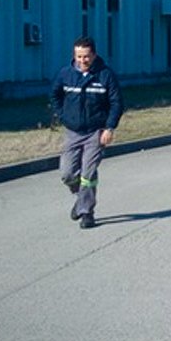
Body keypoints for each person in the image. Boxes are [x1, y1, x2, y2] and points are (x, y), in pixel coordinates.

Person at [51, 37, 124, 229]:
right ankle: (81, 199)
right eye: (79, 56)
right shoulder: (65, 74)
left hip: (95, 131)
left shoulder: (105, 75)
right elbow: (55, 95)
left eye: (86, 57)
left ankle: (87, 213)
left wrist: (109, 128)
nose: (82, 61)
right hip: (73, 130)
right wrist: (63, 116)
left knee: (88, 174)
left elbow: (116, 103)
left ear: (94, 55)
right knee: (67, 173)